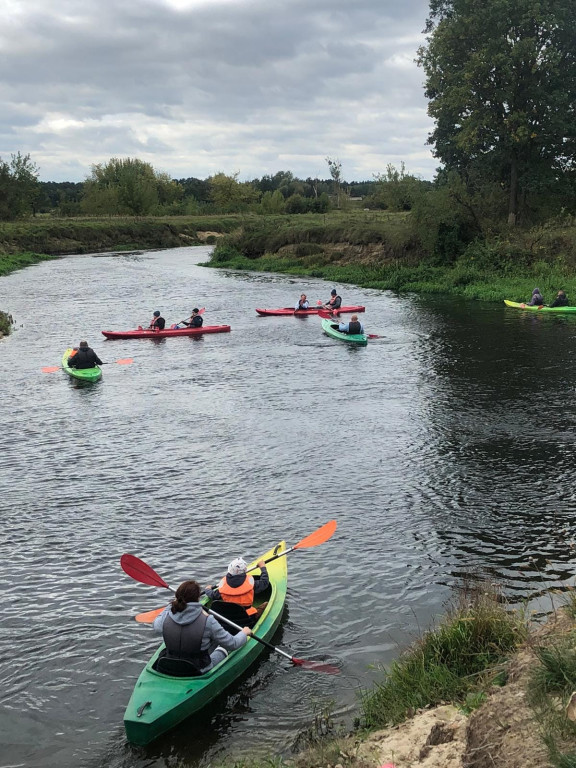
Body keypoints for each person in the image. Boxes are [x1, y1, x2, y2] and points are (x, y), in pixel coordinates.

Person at [153, 580, 251, 673]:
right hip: (197, 670)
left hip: (169, 665)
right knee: (222, 648)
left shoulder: (166, 618)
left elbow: (156, 625)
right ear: (198, 598)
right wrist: (244, 633)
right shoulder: (208, 621)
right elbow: (233, 644)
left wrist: (171, 605)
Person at [204, 557, 269, 626]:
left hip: (229, 620)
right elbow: (265, 582)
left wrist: (207, 589)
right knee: (266, 604)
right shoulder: (252, 585)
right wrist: (263, 567)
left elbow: (212, 595)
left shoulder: (222, 588)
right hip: (248, 618)